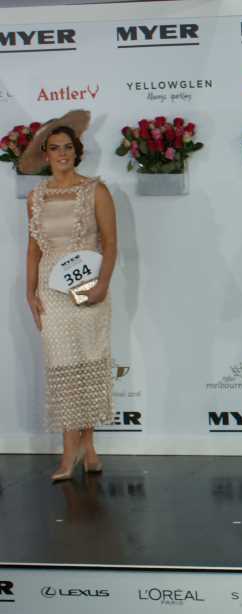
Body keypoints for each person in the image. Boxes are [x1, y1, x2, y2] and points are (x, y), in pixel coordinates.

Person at [20, 110, 116, 482]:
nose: (62, 154)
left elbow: (111, 244)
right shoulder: (36, 196)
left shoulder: (96, 190)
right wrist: (30, 292)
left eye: (68, 147)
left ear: (77, 152)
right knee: (63, 368)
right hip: (51, 289)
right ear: (45, 155)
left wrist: (102, 285)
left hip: (87, 285)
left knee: (88, 363)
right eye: (55, 148)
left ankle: (88, 446)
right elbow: (33, 249)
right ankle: (69, 451)